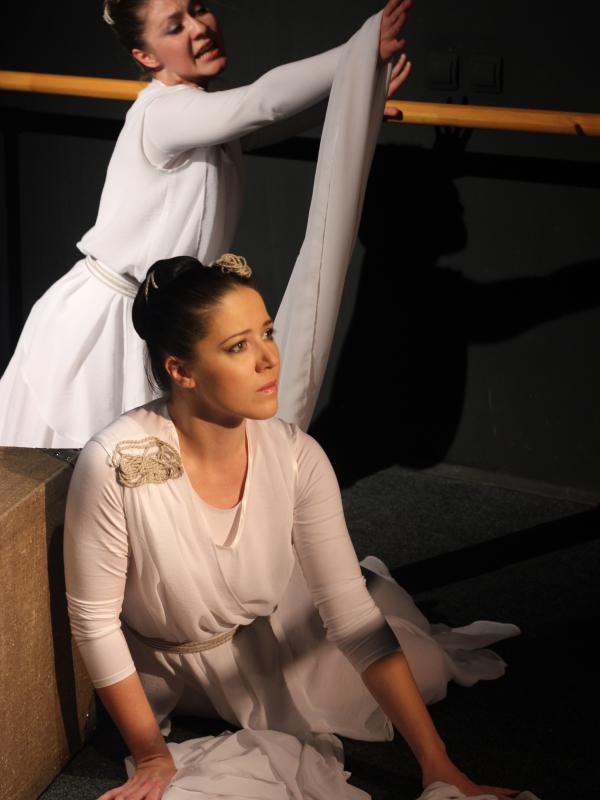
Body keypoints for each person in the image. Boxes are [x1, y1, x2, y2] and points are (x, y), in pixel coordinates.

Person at [64, 254, 521, 800]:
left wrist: (438, 764)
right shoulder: (114, 460)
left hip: (258, 634)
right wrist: (150, 754)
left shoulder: (298, 455)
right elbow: (93, 622)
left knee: (423, 669)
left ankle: (373, 595)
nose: (268, 360)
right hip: (161, 668)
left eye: (267, 333)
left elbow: (351, 618)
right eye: (238, 346)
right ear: (180, 371)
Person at [0, 0, 412, 448]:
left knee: (150, 463)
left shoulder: (202, 107)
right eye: (175, 27)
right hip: (106, 320)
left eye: (198, 9)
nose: (198, 28)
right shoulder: (163, 113)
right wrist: (357, 53)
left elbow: (259, 127)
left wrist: (358, 95)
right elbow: (263, 103)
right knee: (92, 463)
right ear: (146, 56)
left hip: (157, 312)